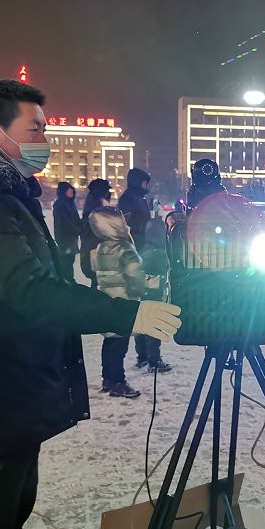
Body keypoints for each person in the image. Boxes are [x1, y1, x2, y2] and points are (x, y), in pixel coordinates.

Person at [0, 79, 182, 529]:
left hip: (12, 384)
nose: (45, 139)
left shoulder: (3, 190)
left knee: (7, 515)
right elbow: (31, 289)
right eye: (34, 129)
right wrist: (126, 314)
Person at [86, 205, 147, 398]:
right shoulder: (124, 248)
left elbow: (94, 269)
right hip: (123, 301)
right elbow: (134, 274)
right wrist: (139, 290)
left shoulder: (101, 247)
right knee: (119, 346)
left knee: (109, 342)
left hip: (107, 300)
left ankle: (107, 379)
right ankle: (118, 382)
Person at [134, 216, 173, 373]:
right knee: (153, 327)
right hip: (153, 294)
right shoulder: (160, 253)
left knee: (142, 325)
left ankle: (142, 356)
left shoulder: (144, 249)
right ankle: (154, 360)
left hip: (141, 293)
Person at [52, 181, 81, 282]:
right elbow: (65, 222)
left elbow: (76, 219)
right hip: (65, 238)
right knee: (67, 259)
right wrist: (77, 230)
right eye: (69, 190)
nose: (71, 191)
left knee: (69, 259)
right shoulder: (60, 205)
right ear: (63, 191)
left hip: (71, 237)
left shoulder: (70, 204)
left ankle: (68, 279)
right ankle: (67, 280)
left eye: (71, 190)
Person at [117, 167, 151, 251]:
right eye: (144, 183)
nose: (146, 186)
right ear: (138, 182)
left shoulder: (138, 197)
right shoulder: (129, 198)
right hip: (134, 240)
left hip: (139, 237)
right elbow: (129, 219)